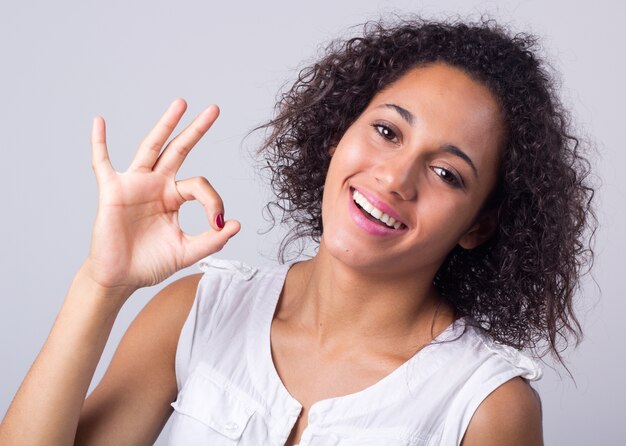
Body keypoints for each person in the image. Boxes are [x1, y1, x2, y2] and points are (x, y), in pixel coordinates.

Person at [0, 17, 594, 445]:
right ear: (340, 131)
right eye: (388, 132)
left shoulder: (488, 408)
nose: (394, 177)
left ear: (480, 224)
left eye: (446, 172)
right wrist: (101, 285)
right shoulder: (197, 311)